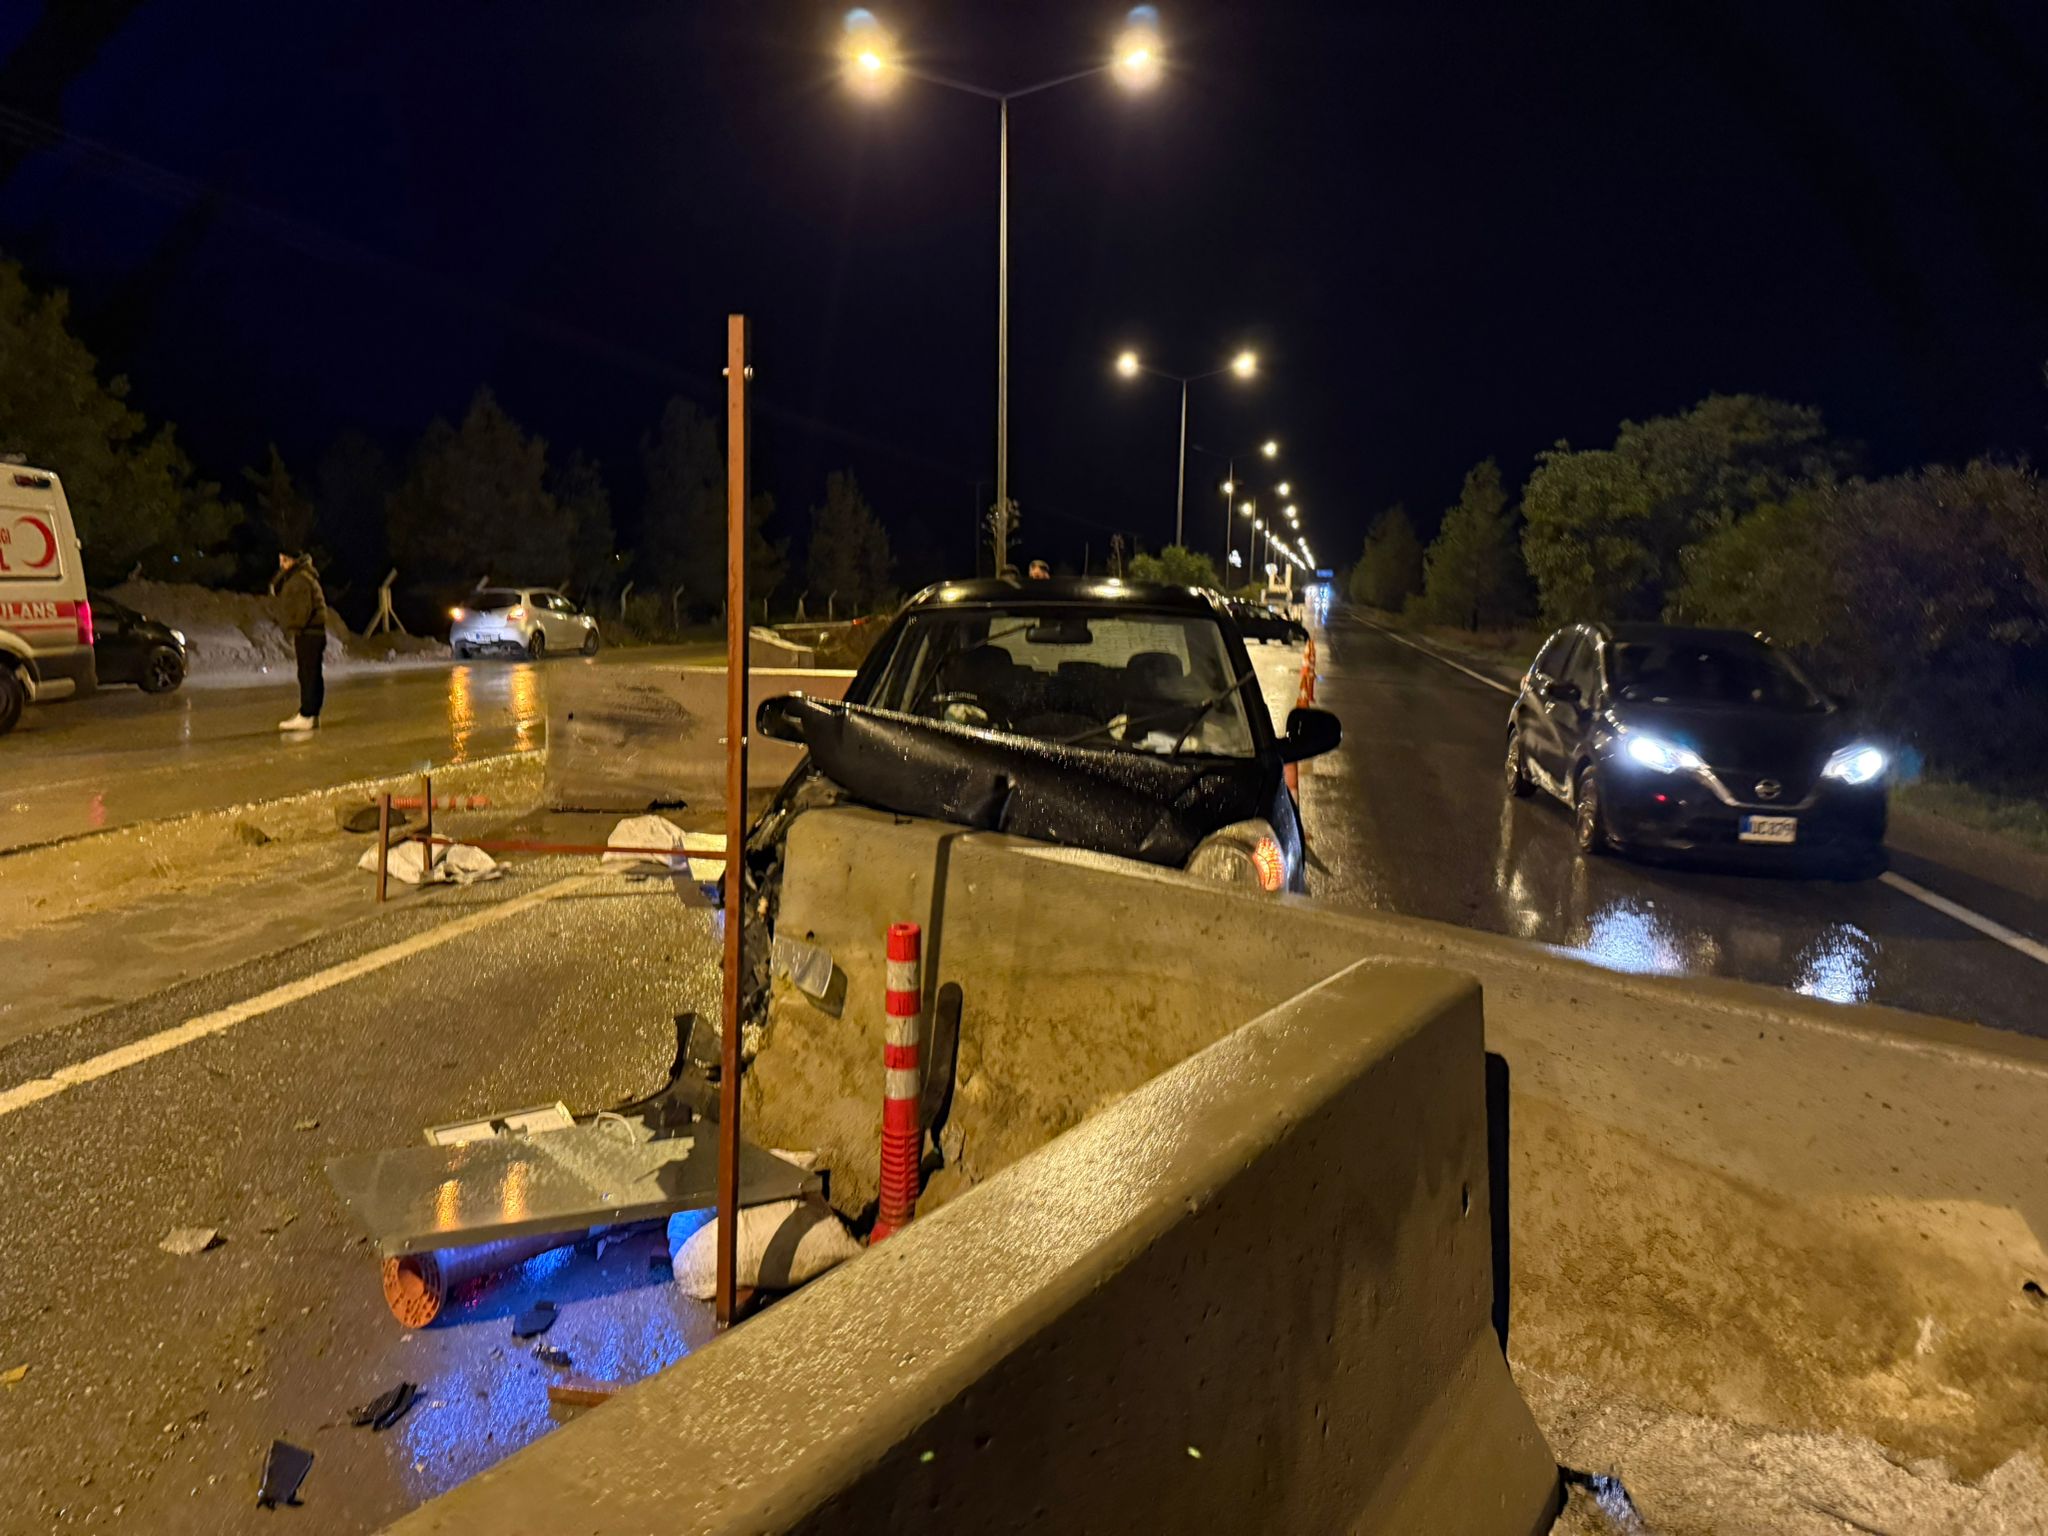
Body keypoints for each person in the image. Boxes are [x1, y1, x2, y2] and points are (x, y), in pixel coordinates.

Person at [273, 550, 327, 731]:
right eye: (280, 559)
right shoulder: (303, 576)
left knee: (307, 674)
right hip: (313, 632)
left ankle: (307, 714)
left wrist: (294, 625)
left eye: (285, 560)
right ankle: (312, 714)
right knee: (311, 673)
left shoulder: (300, 579)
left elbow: (302, 610)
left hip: (308, 633)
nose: (281, 564)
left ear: (294, 560)